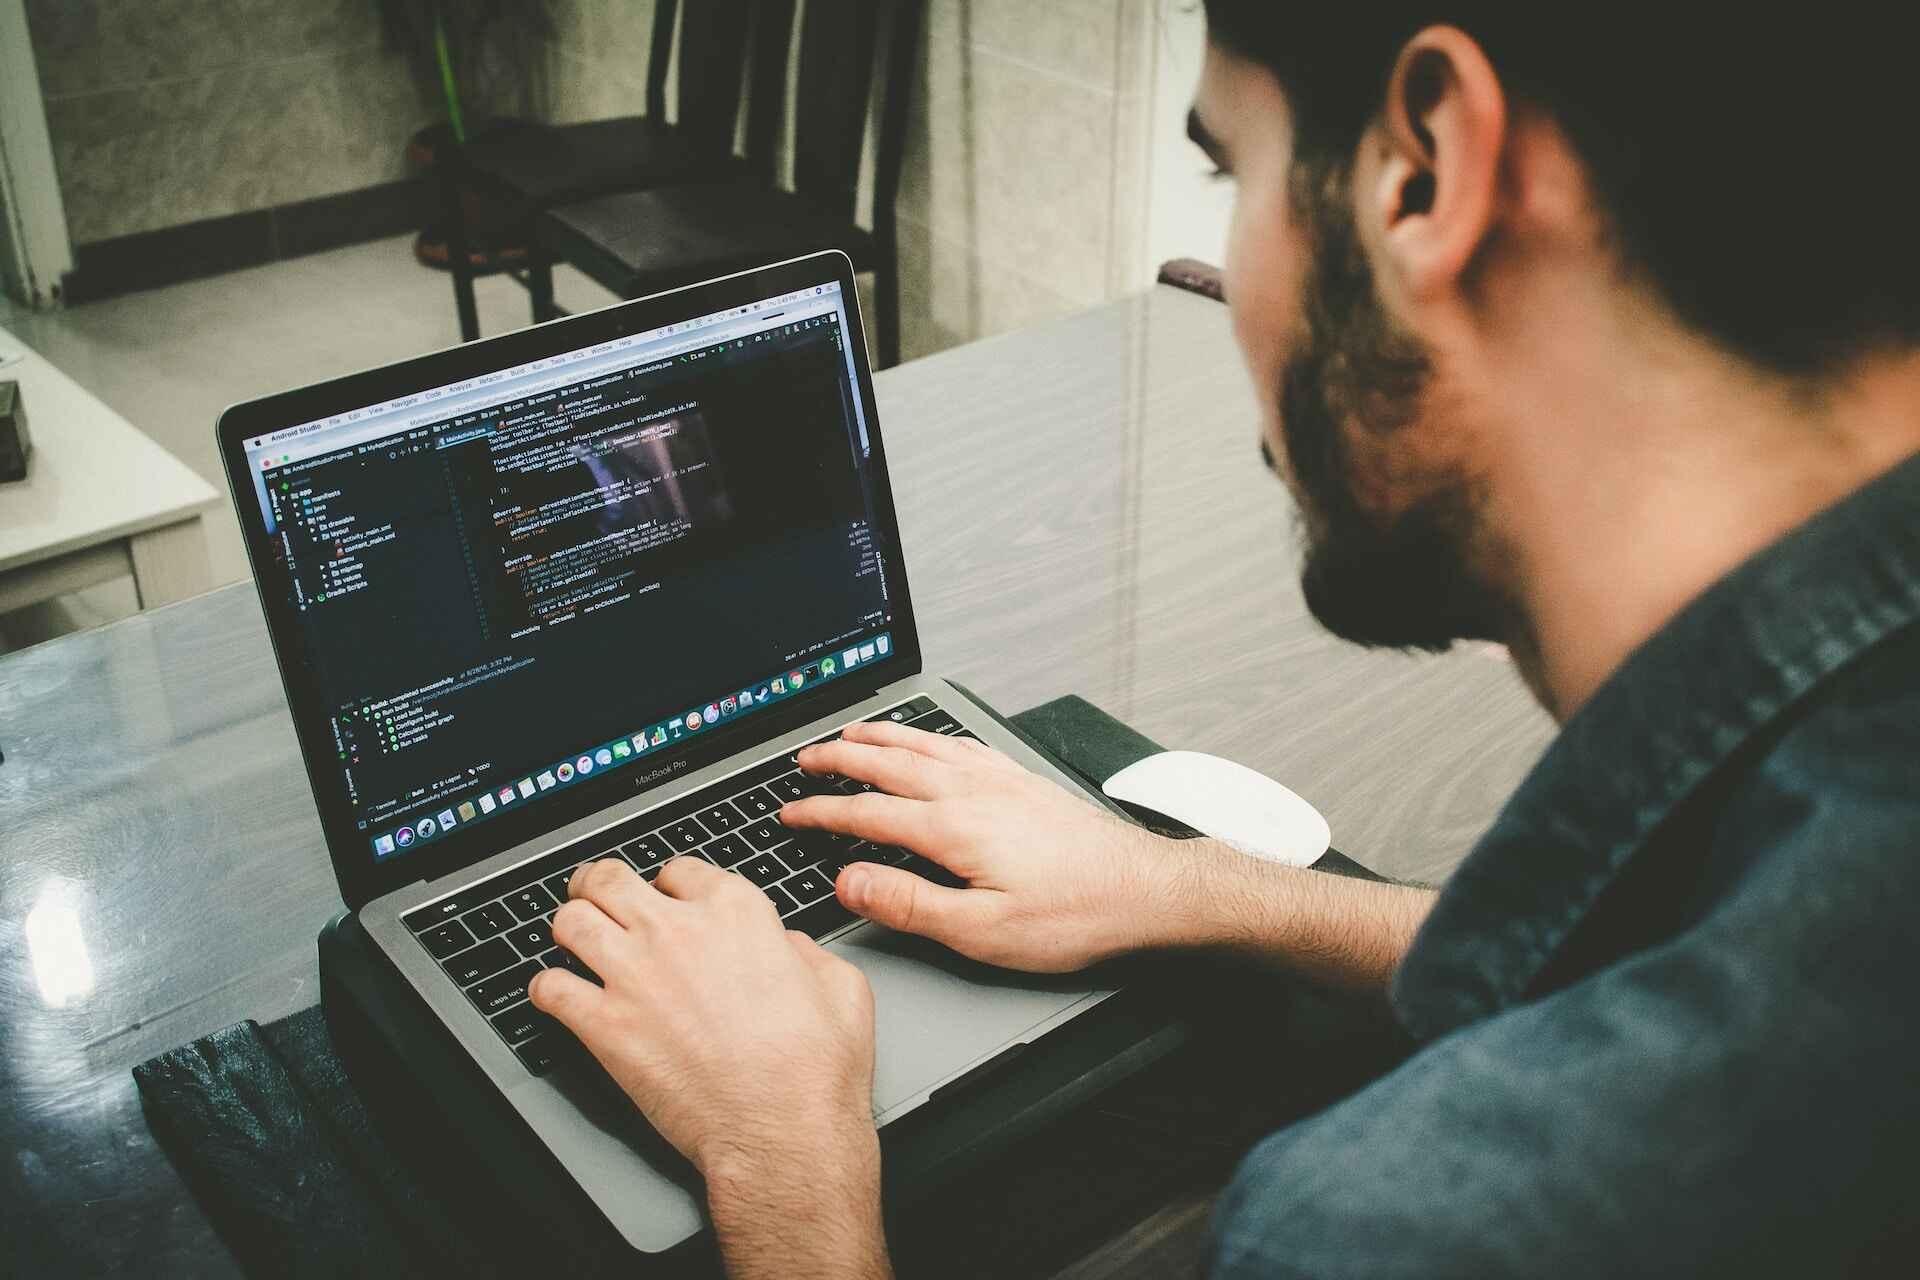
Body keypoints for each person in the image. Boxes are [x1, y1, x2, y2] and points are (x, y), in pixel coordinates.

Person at [527, 4, 1920, 1275]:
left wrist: (785, 1166)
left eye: (1229, 172)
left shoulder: (1414, 1227)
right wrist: (1189, 888)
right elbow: (1650, 931)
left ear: (1423, 172)